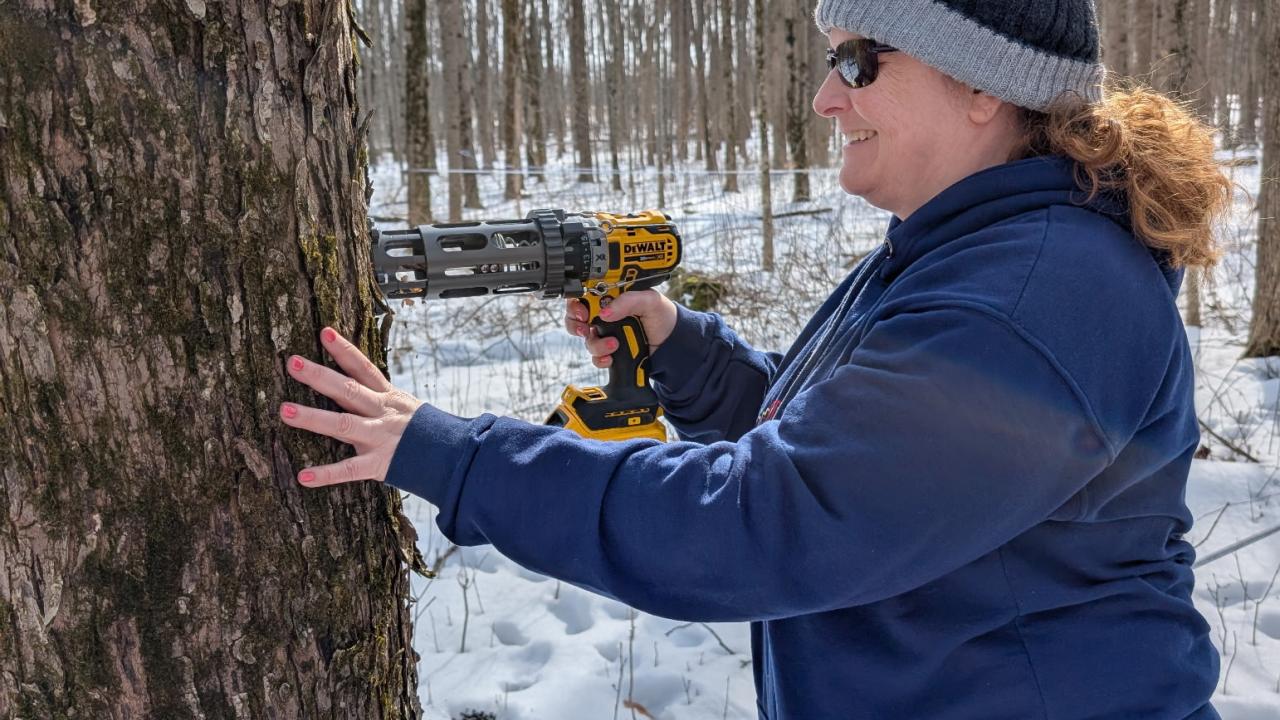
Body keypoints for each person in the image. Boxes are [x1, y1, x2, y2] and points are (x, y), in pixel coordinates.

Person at [280, 1, 1234, 716]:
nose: (825, 97)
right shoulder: (974, 249)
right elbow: (856, 449)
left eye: (860, 62)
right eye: (829, 62)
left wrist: (460, 456)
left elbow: (775, 522)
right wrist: (681, 347)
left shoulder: (1037, 295)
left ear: (985, 85)